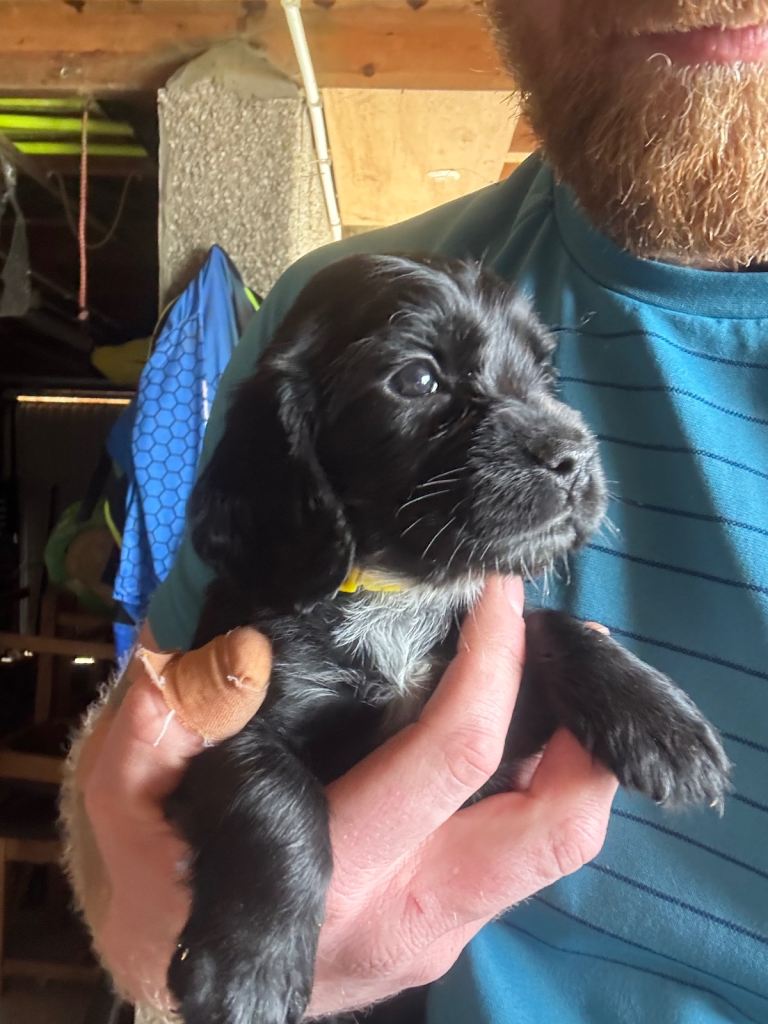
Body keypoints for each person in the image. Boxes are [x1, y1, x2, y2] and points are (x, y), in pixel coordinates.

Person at [70, 2, 768, 1021]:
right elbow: (168, 738)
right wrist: (140, 916)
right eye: (420, 383)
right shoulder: (322, 303)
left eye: (538, 377)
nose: (561, 437)